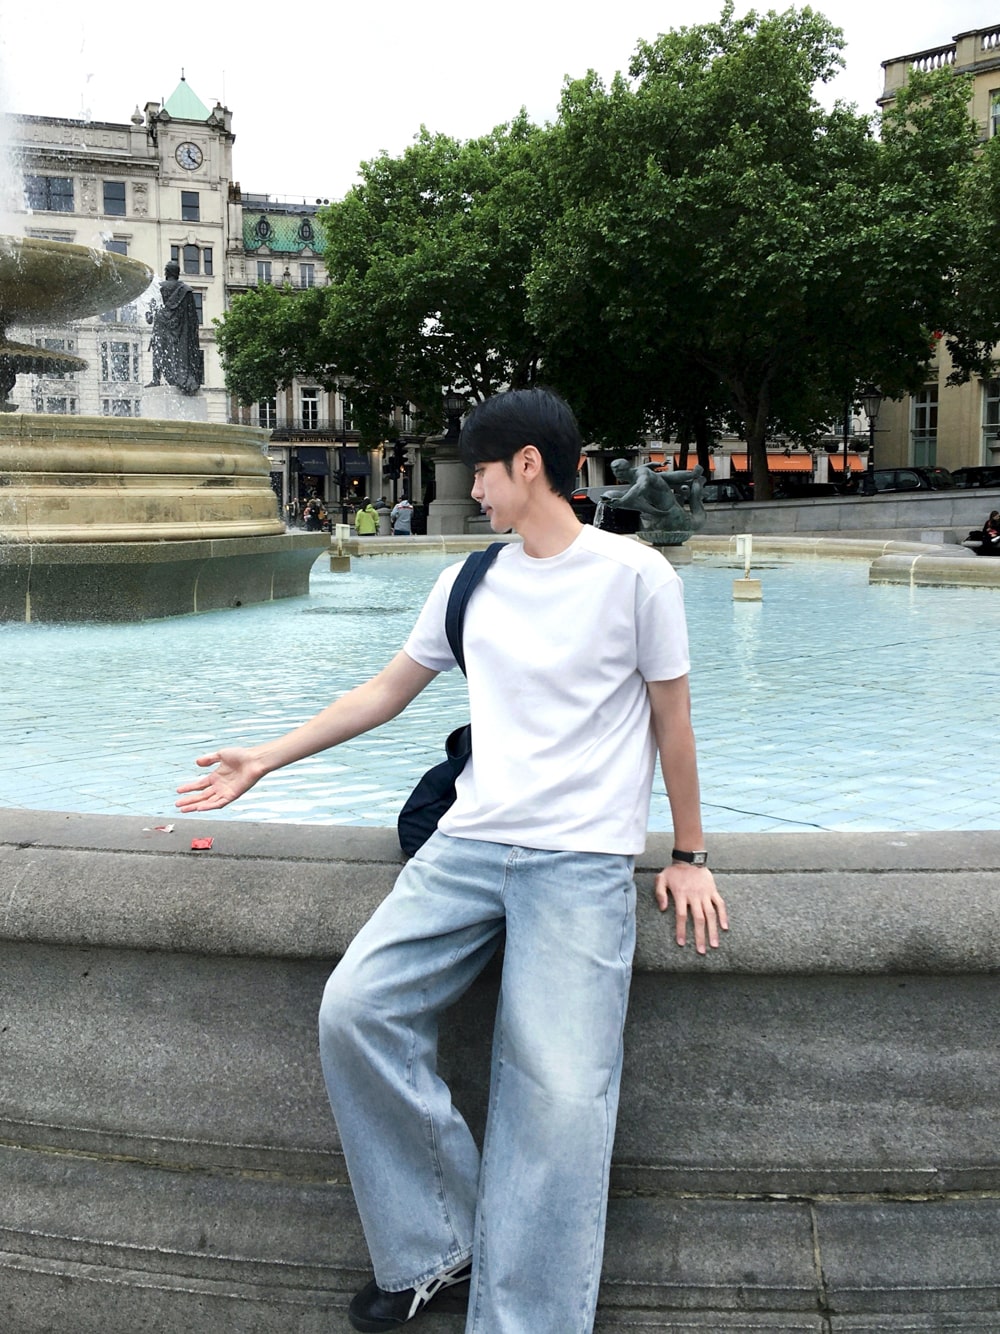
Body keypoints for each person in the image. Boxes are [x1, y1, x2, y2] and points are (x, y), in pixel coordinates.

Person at [175, 387, 727, 1334]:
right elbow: (383, 693)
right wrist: (264, 758)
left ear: (528, 466)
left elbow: (673, 723)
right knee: (356, 1010)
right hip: (468, 845)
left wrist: (689, 853)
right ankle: (436, 1243)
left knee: (559, 1098)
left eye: (481, 470)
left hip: (579, 862)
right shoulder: (469, 582)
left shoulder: (637, 577)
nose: (472, 489)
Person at [145, 261, 202, 396]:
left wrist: (150, 316)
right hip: (179, 329)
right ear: (177, 273)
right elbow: (192, 316)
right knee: (178, 353)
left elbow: (150, 316)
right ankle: (180, 376)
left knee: (158, 351)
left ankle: (156, 379)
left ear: (166, 273)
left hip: (161, 325)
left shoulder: (158, 288)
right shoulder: (186, 290)